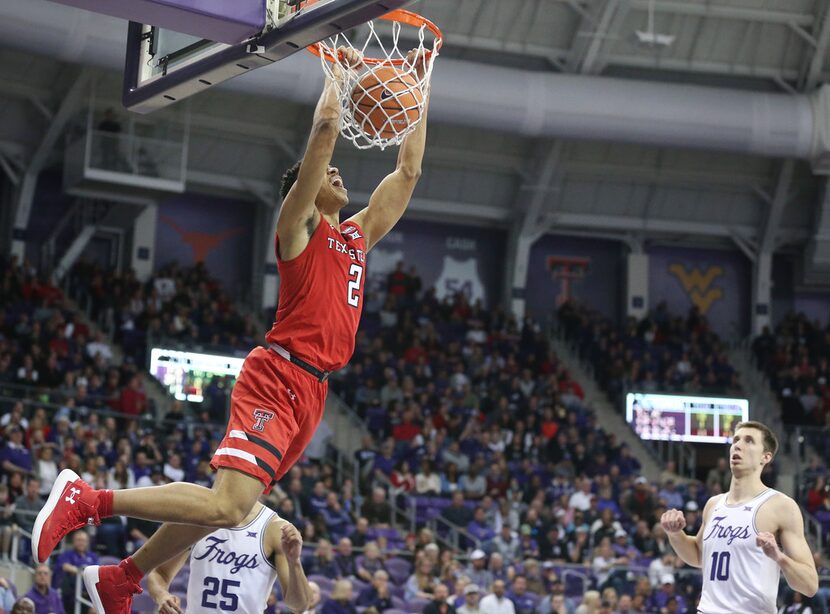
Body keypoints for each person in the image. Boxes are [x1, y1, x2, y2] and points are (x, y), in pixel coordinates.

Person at [33, 44, 431, 612]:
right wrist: (338, 78)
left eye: (341, 173)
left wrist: (419, 90)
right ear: (307, 193)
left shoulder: (358, 238)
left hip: (313, 392)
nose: (339, 174)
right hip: (279, 374)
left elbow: (408, 171)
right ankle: (88, 500)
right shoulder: (297, 229)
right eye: (329, 174)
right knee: (227, 507)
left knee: (233, 506)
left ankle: (122, 579)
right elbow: (323, 132)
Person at [660, 421, 818, 613]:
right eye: (736, 440)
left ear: (765, 457)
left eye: (749, 441)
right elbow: (698, 556)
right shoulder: (713, 504)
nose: (738, 445)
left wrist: (778, 556)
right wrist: (675, 534)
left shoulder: (781, 506)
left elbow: (809, 585)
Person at [147, 501, 311, 614]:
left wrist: (294, 562)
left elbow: (299, 606)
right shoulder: (197, 517)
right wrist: (162, 596)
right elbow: (159, 573)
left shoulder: (274, 528)